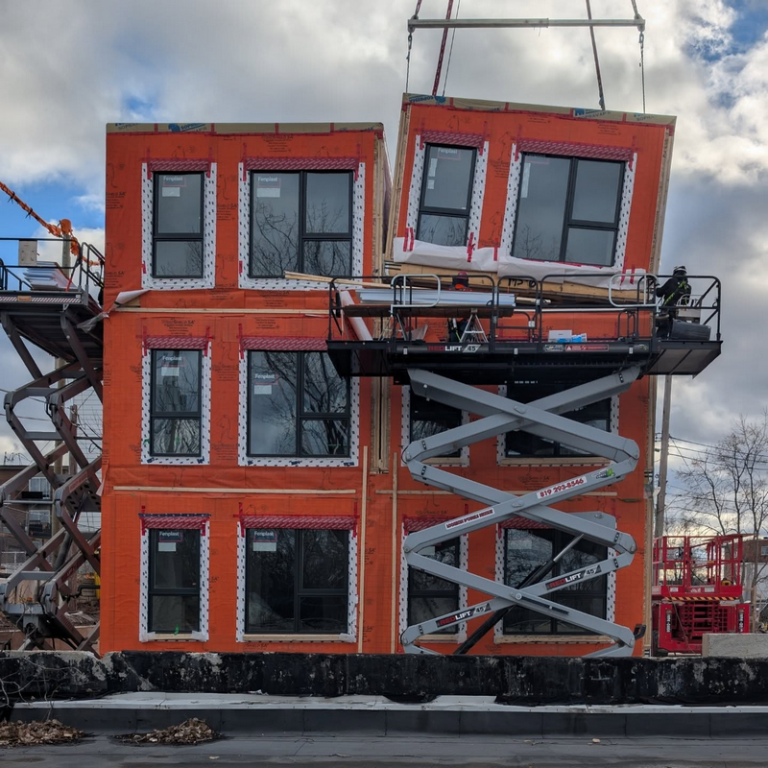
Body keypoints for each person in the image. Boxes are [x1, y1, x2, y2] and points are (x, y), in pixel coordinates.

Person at [655, 265, 691, 337]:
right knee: (677, 334)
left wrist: (656, 287)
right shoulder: (688, 287)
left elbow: (659, 293)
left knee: (662, 331)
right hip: (680, 314)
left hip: (667, 311)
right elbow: (686, 302)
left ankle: (660, 340)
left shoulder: (671, 281)